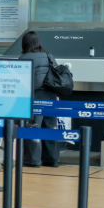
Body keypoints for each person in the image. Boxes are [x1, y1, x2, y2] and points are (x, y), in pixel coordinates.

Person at [19, 30, 61, 167]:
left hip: (34, 96)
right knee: (50, 127)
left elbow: (20, 81)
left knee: (33, 126)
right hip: (50, 96)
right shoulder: (49, 56)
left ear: (25, 43)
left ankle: (33, 160)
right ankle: (52, 159)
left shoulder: (24, 58)